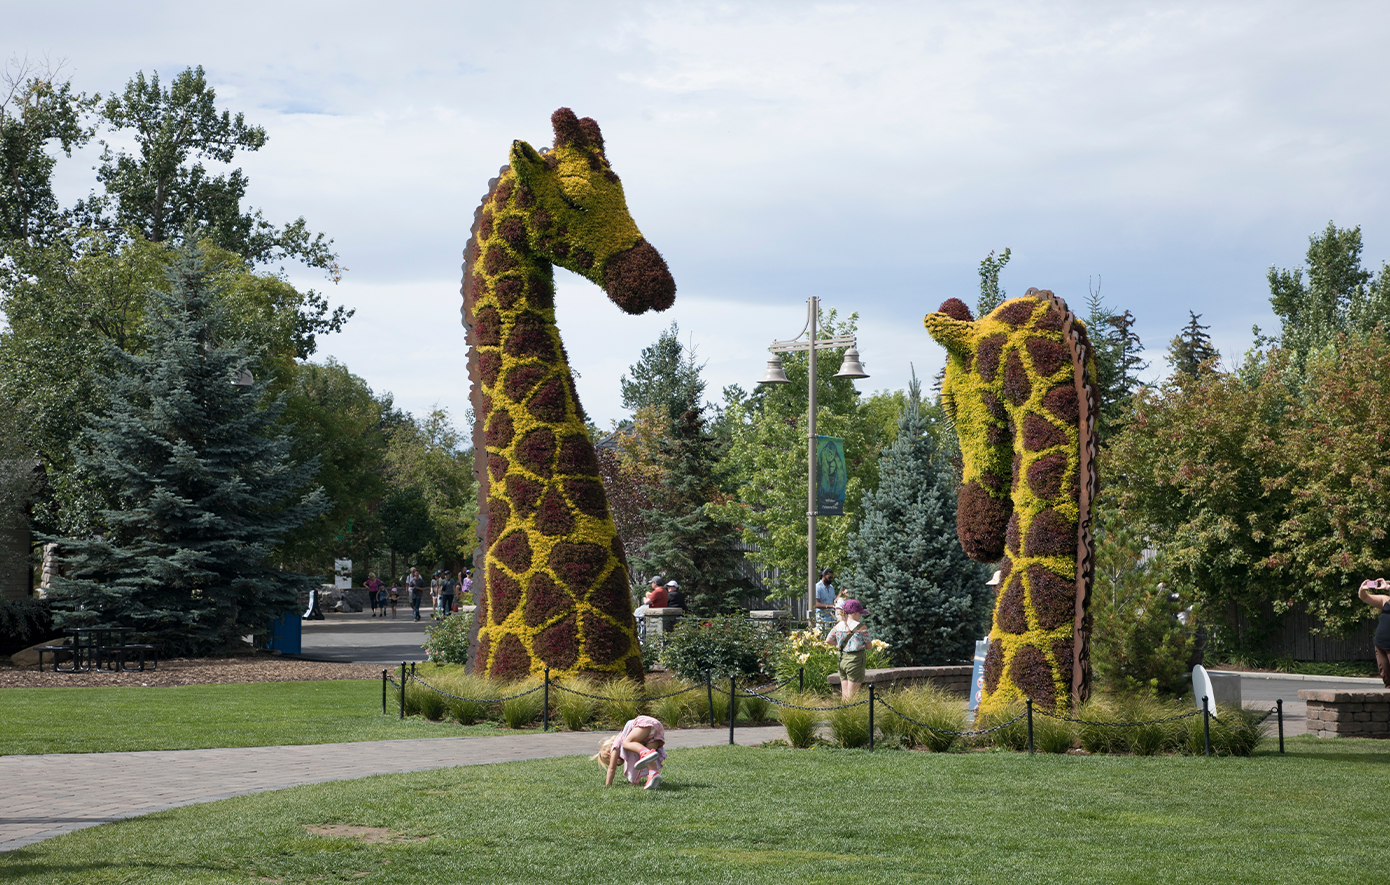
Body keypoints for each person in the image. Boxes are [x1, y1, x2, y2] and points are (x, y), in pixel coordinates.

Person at [594, 714, 667, 789]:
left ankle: (645, 752)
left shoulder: (615, 746)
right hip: (657, 728)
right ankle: (653, 774)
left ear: (608, 754)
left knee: (626, 743)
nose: (617, 765)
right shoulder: (631, 746)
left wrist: (608, 785)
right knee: (649, 759)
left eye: (610, 761)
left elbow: (611, 768)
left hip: (645, 723)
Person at [826, 599, 872, 699]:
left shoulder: (838, 626)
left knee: (845, 694)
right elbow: (869, 646)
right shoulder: (861, 627)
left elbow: (828, 640)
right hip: (855, 660)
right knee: (852, 695)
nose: (861, 616)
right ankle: (851, 714)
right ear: (855, 613)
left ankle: (843, 713)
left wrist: (841, 645)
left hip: (841, 659)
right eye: (860, 613)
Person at [1358, 578, 1390, 688]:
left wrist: (1388, 587)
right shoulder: (1385, 600)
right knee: (1385, 674)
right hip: (1380, 645)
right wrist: (1362, 589)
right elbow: (1365, 597)